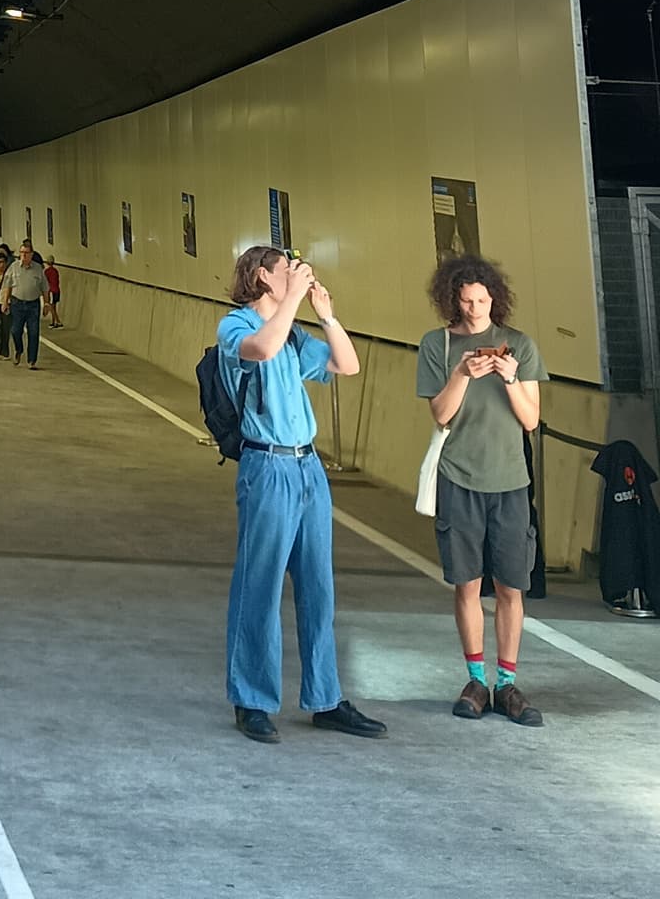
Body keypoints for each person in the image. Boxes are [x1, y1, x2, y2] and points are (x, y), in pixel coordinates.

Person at [218, 246, 386, 745]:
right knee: (261, 583)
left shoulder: (294, 333)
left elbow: (346, 365)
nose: (297, 275)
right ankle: (252, 699)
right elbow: (261, 349)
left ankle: (325, 697)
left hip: (307, 465)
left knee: (318, 585)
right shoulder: (236, 326)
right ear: (261, 276)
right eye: (286, 269)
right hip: (266, 465)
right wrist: (292, 299)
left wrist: (326, 316)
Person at [418, 255, 545, 724]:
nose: (475, 309)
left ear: (495, 299)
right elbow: (441, 414)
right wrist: (461, 374)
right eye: (467, 301)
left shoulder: (520, 345)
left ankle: (506, 683)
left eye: (482, 301)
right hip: (459, 477)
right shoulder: (437, 344)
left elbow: (530, 420)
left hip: (510, 480)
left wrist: (509, 378)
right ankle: (475, 679)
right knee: (466, 582)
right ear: (453, 300)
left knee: (512, 585)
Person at [6, 243, 47, 368]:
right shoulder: (13, 267)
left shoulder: (38, 268)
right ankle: (19, 349)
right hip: (17, 303)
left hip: (33, 304)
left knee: (33, 332)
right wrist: (5, 302)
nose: (23, 255)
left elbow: (45, 288)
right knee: (15, 330)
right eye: (22, 252)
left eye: (26, 253)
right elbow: (8, 285)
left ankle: (31, 360)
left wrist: (47, 303)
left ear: (31, 255)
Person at [43, 253, 62, 328]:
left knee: (51, 307)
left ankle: (58, 321)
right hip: (57, 290)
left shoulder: (47, 271)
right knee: (54, 307)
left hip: (51, 291)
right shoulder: (55, 271)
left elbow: (45, 282)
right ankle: (53, 322)